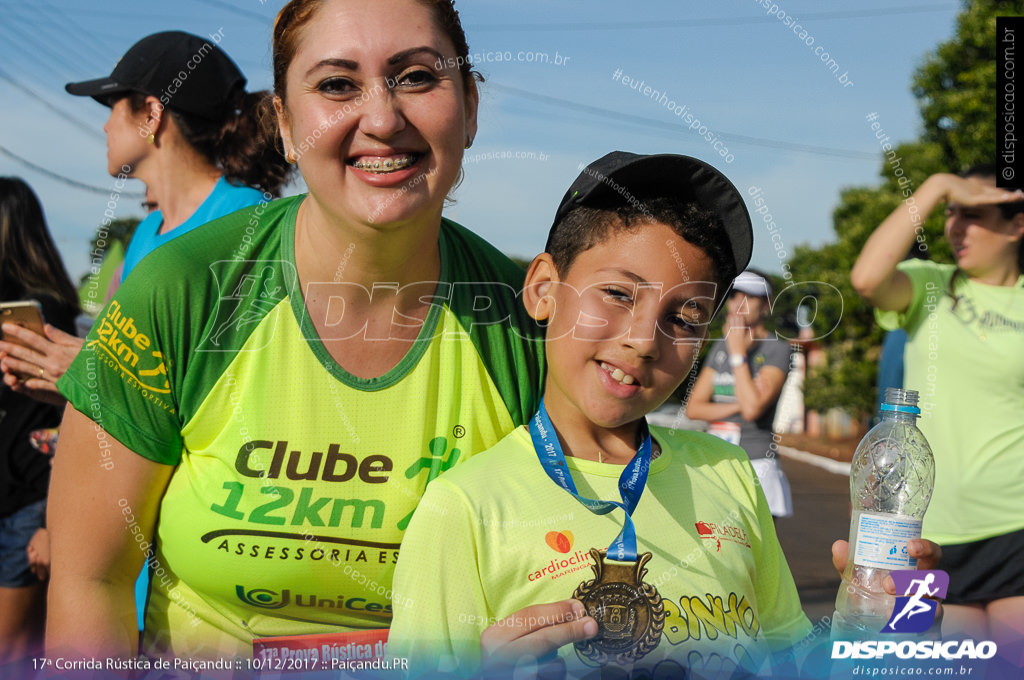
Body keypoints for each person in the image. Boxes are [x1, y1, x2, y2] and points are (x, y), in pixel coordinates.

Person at [46, 0, 542, 662]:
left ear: (470, 106)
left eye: (418, 77)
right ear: (284, 123)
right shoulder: (184, 289)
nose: (382, 118)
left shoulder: (532, 329)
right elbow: (90, 579)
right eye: (337, 84)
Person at [389, 153, 941, 678]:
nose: (643, 341)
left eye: (685, 316)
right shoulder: (463, 509)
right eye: (617, 293)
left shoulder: (727, 473)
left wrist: (875, 628)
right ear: (542, 290)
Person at [0, 30, 291, 407]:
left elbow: (240, 388)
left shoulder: (245, 217)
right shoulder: (145, 234)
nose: (105, 126)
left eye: (112, 106)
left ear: (153, 114)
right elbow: (141, 397)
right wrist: (70, 386)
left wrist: (99, 375)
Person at [851, 165, 1024, 647]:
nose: (955, 227)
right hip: (922, 537)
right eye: (951, 213)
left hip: (1016, 527)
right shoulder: (930, 286)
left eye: (973, 214)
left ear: (1017, 224)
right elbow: (866, 278)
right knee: (927, 662)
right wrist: (937, 184)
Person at [0, 177, 79, 664]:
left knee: (11, 654)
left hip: (29, 500)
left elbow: (69, 418)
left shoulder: (43, 313)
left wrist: (54, 523)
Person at [686, 270, 794, 519]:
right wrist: (738, 403)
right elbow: (694, 408)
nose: (739, 303)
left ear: (766, 306)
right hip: (715, 459)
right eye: (734, 295)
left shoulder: (776, 349)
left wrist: (738, 354)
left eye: (750, 297)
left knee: (752, 553)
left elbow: (752, 410)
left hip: (755, 462)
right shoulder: (720, 346)